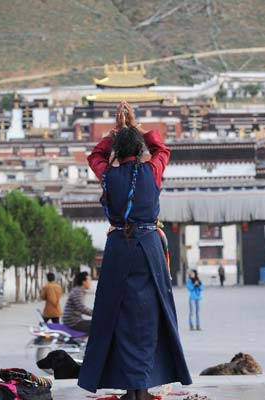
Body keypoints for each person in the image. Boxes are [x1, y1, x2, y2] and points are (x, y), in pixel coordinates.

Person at [78, 102, 192, 400]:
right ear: (139, 149)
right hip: (150, 249)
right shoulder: (152, 171)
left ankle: (132, 388)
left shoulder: (107, 175)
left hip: (119, 249)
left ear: (117, 150)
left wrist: (114, 132)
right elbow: (162, 149)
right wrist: (137, 127)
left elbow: (95, 155)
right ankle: (142, 386)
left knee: (119, 317)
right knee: (149, 318)